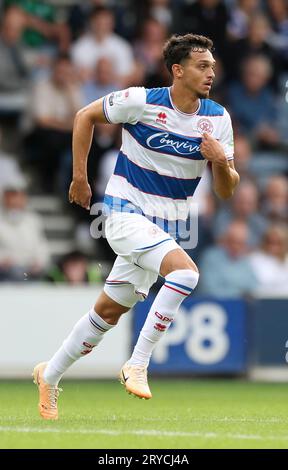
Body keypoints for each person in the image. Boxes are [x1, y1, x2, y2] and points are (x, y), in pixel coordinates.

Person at [33, 33, 240, 420]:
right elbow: (84, 116)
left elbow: (227, 191)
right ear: (177, 70)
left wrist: (221, 162)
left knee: (108, 313)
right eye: (202, 65)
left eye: (212, 65)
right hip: (124, 213)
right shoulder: (141, 101)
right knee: (186, 274)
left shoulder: (218, 119)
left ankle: (50, 375)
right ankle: (138, 363)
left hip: (166, 227)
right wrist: (80, 177)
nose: (211, 72)